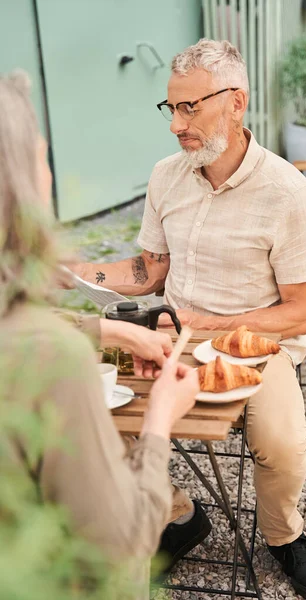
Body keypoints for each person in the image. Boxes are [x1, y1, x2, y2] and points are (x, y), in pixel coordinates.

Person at [70, 39, 306, 600]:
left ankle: (284, 538)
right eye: (172, 108)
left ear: (236, 103)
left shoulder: (288, 193)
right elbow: (149, 271)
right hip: (171, 336)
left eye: (190, 107)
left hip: (256, 347)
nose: (176, 125)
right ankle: (179, 515)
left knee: (282, 442)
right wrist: (75, 271)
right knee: (94, 410)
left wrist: (207, 323)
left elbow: (300, 312)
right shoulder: (168, 175)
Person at [0, 71, 199, 597]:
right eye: (42, 157)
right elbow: (121, 547)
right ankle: (182, 511)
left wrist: (107, 329)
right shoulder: (48, 359)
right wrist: (160, 418)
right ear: (19, 180)